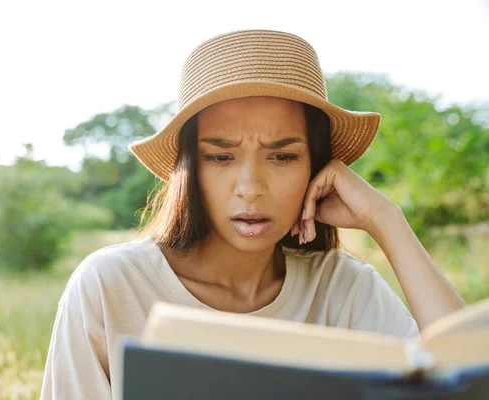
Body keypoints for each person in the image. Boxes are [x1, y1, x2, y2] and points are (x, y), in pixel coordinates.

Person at [39, 29, 467, 400]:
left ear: (316, 168)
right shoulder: (110, 286)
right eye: (221, 157)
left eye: (282, 156)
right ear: (190, 168)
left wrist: (385, 219)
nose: (250, 187)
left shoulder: (343, 290)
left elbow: (471, 377)